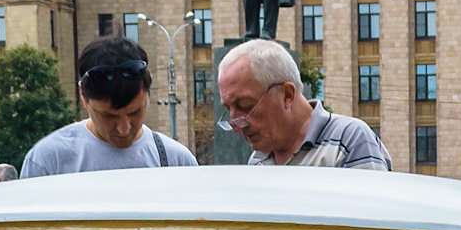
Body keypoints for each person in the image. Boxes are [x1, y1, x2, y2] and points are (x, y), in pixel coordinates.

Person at [20, 36, 196, 175]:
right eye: (109, 116)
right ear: (83, 96)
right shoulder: (48, 161)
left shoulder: (177, 161)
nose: (124, 129)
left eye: (135, 112)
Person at [217, 40, 389, 169]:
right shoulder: (258, 161)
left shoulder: (349, 140)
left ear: (287, 94)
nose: (236, 126)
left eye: (246, 105)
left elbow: (370, 214)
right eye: (228, 109)